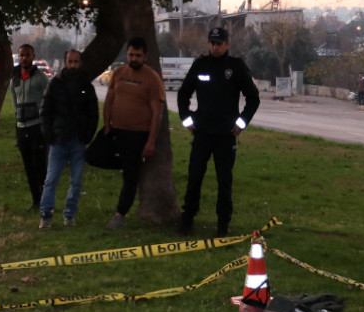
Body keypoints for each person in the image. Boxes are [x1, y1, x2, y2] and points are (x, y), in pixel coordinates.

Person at [176, 26, 260, 237]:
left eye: (219, 44)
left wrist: (242, 123)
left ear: (227, 44)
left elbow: (253, 98)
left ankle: (223, 225)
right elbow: (183, 94)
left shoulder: (236, 67)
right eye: (212, 43)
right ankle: (187, 220)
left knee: (224, 181)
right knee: (194, 177)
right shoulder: (200, 65)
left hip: (225, 135)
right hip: (202, 133)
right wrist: (187, 119)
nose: (215, 47)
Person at [101, 37, 165, 229]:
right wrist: (106, 126)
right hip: (115, 130)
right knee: (93, 155)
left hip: (138, 134)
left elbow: (157, 113)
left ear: (145, 56)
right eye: (131, 54)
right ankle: (128, 163)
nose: (134, 58)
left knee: (130, 176)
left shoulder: (152, 79)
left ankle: (120, 214)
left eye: (138, 55)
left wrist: (151, 142)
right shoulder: (119, 73)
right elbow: (109, 100)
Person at [39, 49, 98, 228]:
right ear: (65, 62)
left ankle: (70, 214)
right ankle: (46, 214)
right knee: (51, 180)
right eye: (70, 62)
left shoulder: (86, 85)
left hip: (78, 141)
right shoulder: (55, 84)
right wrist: (49, 135)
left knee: (76, 181)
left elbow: (93, 113)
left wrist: (87, 135)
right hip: (58, 141)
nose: (73, 65)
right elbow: (45, 111)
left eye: (76, 62)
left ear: (80, 63)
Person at [10, 44, 50, 211]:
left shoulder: (41, 78)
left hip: (37, 128)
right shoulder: (15, 78)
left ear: (33, 56)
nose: (24, 58)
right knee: (28, 166)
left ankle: (46, 201)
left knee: (39, 165)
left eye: (27, 55)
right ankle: (35, 201)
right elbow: (14, 99)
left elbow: (48, 100)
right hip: (21, 128)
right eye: (21, 55)